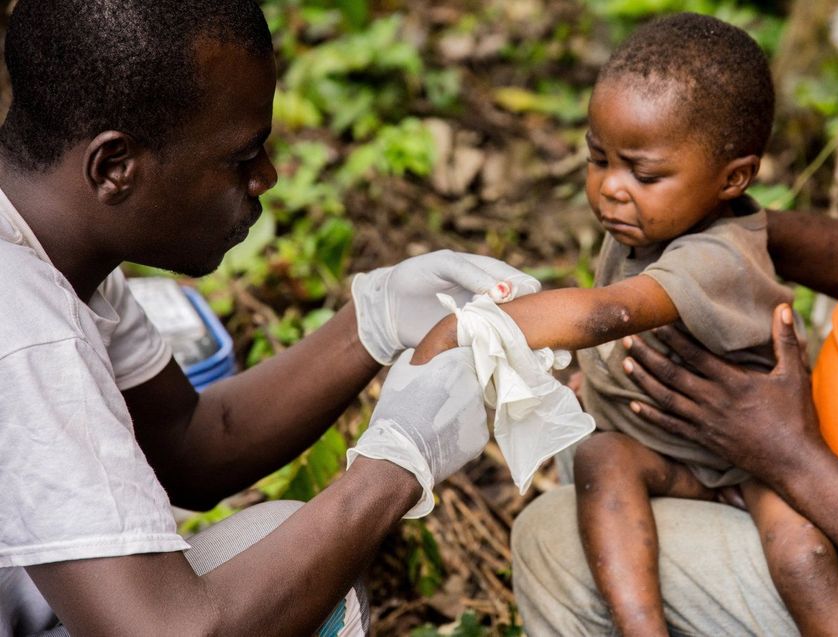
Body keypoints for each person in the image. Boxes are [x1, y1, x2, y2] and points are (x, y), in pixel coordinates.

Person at [0, 1, 541, 635]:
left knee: (277, 545)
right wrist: (397, 466)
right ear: (115, 167)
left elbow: (189, 446)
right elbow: (167, 632)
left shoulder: (58, 253)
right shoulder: (25, 326)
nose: (268, 176)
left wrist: (373, 321)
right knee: (304, 600)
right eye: (240, 156)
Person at [512, 0, 838, 635]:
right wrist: (716, 242)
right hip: (779, 457)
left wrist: (790, 456)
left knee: (552, 541)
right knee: (585, 445)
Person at [412, 13, 838, 637]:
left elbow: (610, 313)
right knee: (603, 461)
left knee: (803, 556)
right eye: (597, 159)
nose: (611, 189)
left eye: (644, 173)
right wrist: (596, 379)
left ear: (733, 178)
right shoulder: (648, 225)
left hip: (755, 465)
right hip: (672, 454)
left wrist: (471, 328)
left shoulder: (717, 256)